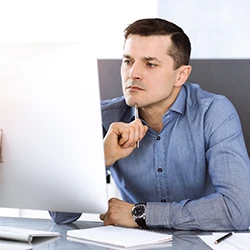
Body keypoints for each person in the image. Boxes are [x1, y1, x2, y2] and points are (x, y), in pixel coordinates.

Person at [49, 18, 250, 230]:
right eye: (128, 61)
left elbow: (237, 210)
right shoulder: (105, 117)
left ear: (181, 75)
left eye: (150, 64)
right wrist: (103, 158)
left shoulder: (213, 113)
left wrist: (141, 214)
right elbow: (60, 215)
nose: (133, 74)